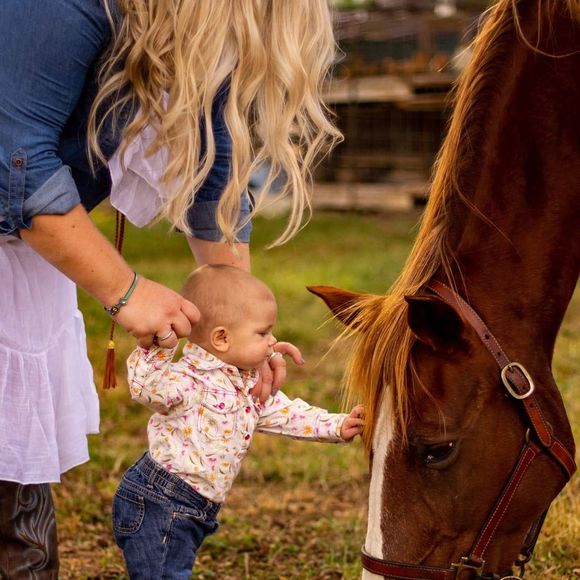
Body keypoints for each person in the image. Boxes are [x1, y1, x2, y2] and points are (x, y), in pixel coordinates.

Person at [0, 1, 340, 576]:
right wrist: (127, 290)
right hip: (20, 227)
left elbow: (212, 168)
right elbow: (14, 157)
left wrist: (244, 326)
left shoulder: (182, 36)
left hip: (24, 252)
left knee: (14, 471)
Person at [113, 265, 364, 578]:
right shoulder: (189, 381)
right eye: (263, 332)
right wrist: (159, 350)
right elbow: (146, 387)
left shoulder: (244, 386)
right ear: (221, 338)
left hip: (193, 508)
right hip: (160, 502)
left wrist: (338, 426)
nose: (272, 341)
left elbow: (288, 415)